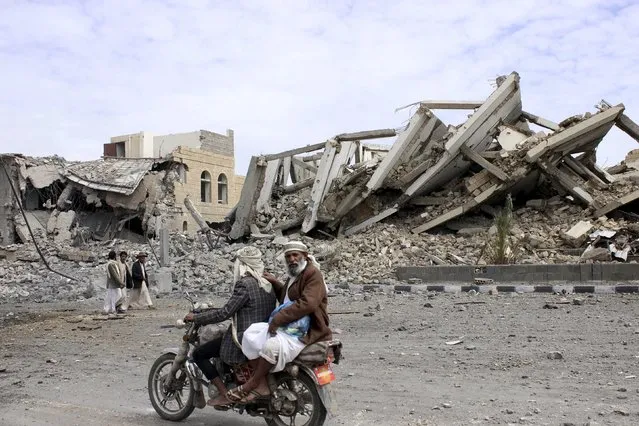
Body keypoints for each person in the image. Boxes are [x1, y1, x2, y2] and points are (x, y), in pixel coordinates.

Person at [228, 241, 331, 403]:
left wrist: (278, 319)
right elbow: (289, 298)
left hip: (305, 329)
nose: (292, 259)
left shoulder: (312, 273)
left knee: (271, 346)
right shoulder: (296, 274)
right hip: (290, 325)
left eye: (295, 255)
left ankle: (254, 382)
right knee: (250, 334)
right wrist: (276, 283)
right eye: (288, 256)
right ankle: (262, 382)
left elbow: (308, 303)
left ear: (305, 256)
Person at [184, 246, 276, 407]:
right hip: (264, 333)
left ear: (241, 265)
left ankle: (224, 394)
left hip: (243, 337)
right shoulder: (267, 282)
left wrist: (197, 318)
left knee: (199, 354)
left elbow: (224, 313)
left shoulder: (245, 284)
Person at [104, 250, 124, 315]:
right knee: (113, 297)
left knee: (117, 296)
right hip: (112, 284)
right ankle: (113, 309)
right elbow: (115, 275)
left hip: (114, 284)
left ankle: (115, 308)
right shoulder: (111, 264)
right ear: (114, 256)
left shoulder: (112, 263)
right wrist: (121, 282)